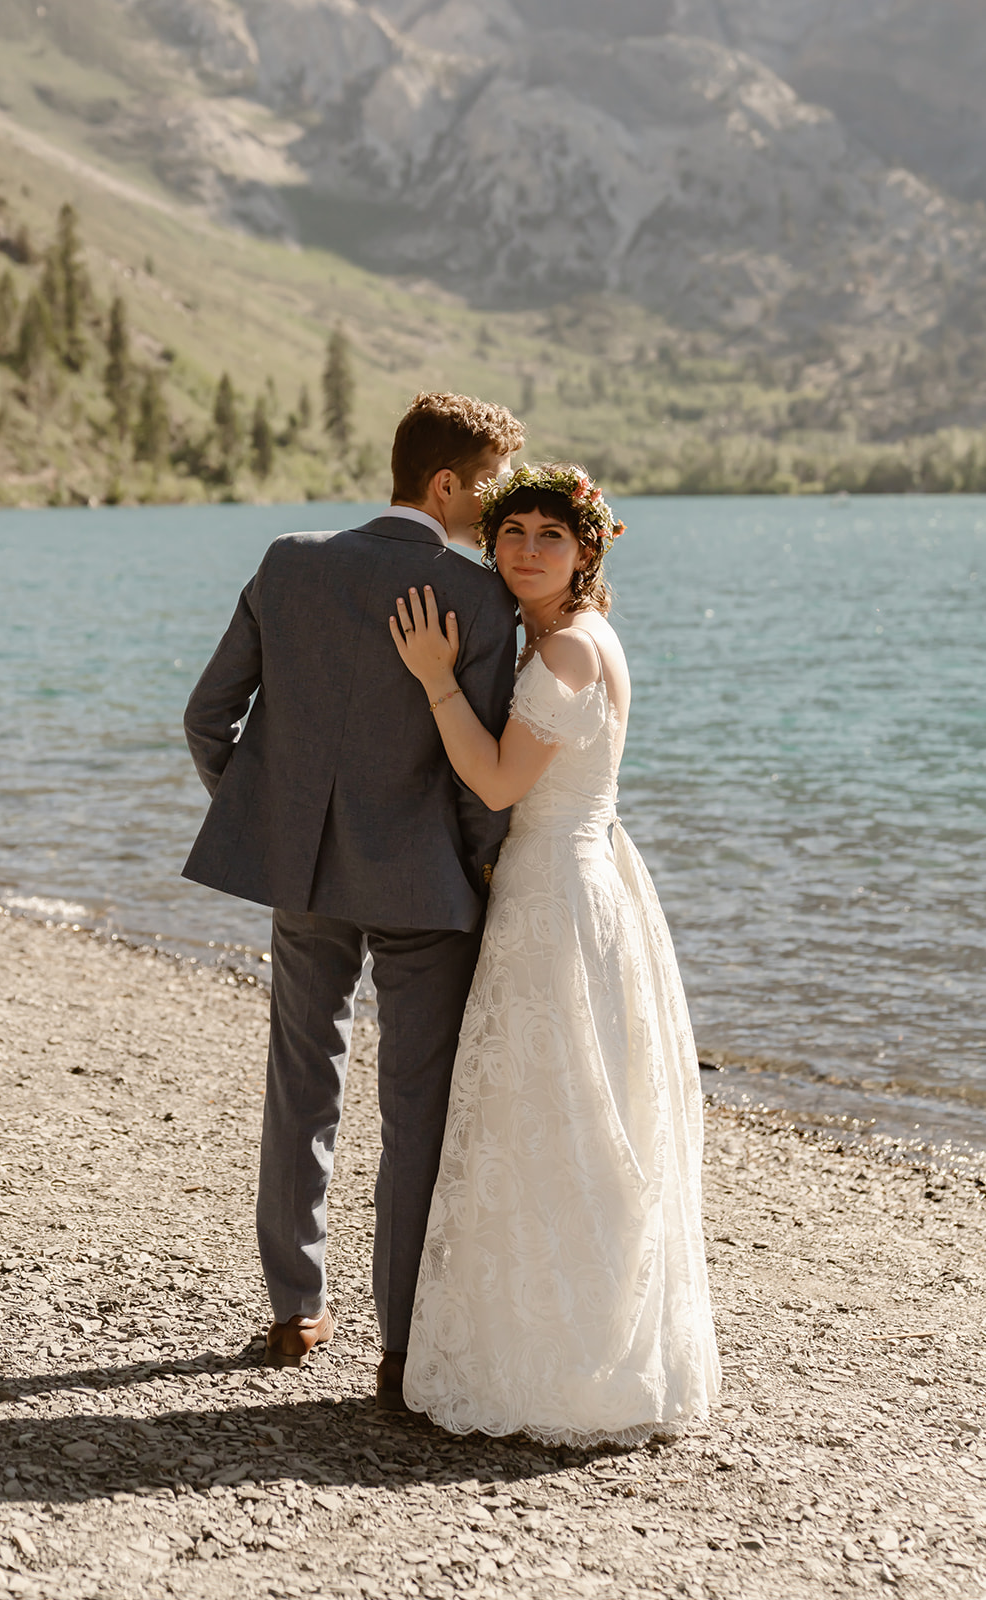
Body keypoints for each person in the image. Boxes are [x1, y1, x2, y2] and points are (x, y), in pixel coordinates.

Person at [182, 391, 525, 1408]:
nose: (499, 502)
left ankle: (295, 1308)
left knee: (302, 1072)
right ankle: (401, 1342)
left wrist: (277, 822)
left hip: (304, 874)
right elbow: (478, 779)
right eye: (494, 481)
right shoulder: (475, 598)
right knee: (415, 1108)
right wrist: (487, 873)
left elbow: (209, 719)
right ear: (445, 485)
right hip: (425, 889)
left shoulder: (290, 560)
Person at [389, 462, 721, 1443]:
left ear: (584, 551)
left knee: (554, 1114)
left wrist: (436, 681)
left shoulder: (566, 653)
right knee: (567, 1111)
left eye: (549, 534)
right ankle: (562, 1345)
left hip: (556, 899)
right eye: (513, 530)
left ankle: (566, 1366)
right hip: (580, 881)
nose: (526, 548)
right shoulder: (572, 637)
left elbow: (494, 783)